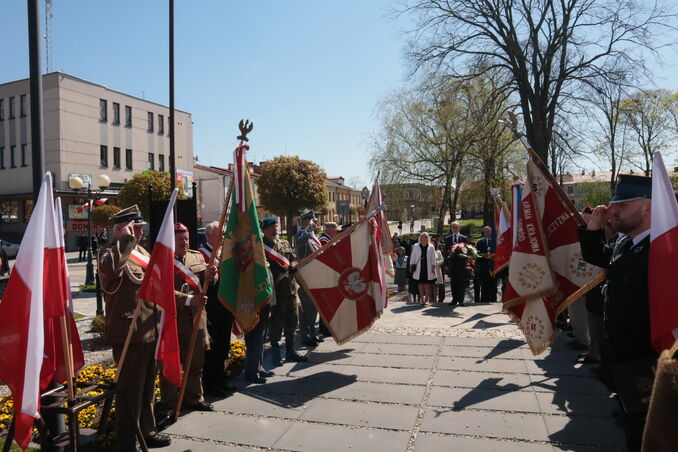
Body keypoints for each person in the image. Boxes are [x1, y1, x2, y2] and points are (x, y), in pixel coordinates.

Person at [577, 174, 657, 452]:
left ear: (649, 207)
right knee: (631, 426)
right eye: (614, 203)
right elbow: (599, 257)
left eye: (623, 204)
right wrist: (593, 228)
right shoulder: (627, 243)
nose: (614, 209)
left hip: (646, 363)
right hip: (623, 360)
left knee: (645, 434)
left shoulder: (661, 249)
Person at [97, 205, 171, 451]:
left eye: (139, 229)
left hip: (149, 328)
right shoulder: (108, 253)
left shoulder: (141, 252)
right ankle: (128, 442)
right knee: (130, 391)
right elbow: (111, 271)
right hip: (128, 332)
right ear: (120, 229)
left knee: (148, 387)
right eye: (134, 229)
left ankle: (147, 431)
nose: (139, 234)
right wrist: (125, 240)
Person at [157, 223, 216, 424]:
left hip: (197, 319)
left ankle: (194, 398)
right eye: (180, 239)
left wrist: (211, 275)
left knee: (196, 363)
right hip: (174, 322)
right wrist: (190, 300)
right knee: (170, 366)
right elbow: (162, 291)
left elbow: (207, 281)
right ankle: (169, 405)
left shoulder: (196, 257)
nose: (185, 242)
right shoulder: (162, 260)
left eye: (187, 238)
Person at [262, 217, 308, 367]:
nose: (275, 229)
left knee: (292, 320)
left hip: (290, 289)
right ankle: (275, 352)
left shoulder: (284, 243)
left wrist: (294, 265)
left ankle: (290, 350)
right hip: (275, 292)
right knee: (276, 322)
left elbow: (293, 258)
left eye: (276, 226)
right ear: (264, 229)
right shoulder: (261, 247)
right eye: (271, 227)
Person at [199, 221, 236, 398]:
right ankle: (211, 385)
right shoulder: (200, 255)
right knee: (211, 352)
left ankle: (221, 379)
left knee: (223, 346)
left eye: (223, 233)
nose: (223, 237)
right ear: (208, 235)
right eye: (220, 233)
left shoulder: (223, 254)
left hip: (225, 308)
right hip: (211, 310)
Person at [294, 210, 324, 346]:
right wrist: (309, 228)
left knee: (314, 307)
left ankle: (312, 334)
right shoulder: (301, 234)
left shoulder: (313, 237)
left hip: (316, 276)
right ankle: (305, 336)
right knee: (306, 308)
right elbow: (300, 243)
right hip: (306, 277)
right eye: (313, 220)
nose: (315, 222)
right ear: (306, 222)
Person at [443, 222, 470, 306]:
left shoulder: (464, 238)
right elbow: (446, 253)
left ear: (459, 228)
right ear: (451, 228)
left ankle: (461, 300)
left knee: (461, 282)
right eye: (453, 227)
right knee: (453, 282)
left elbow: (468, 251)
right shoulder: (448, 238)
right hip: (452, 264)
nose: (455, 229)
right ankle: (454, 299)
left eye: (456, 227)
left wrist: (467, 263)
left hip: (462, 264)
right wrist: (446, 265)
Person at [410, 232, 437, 305]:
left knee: (427, 284)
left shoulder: (431, 246)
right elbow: (413, 257)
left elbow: (433, 258)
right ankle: (422, 298)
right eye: (423, 237)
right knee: (420, 284)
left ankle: (426, 298)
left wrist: (433, 267)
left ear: (427, 238)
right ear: (420, 238)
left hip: (427, 267)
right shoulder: (416, 246)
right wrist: (411, 266)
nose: (424, 238)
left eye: (425, 237)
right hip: (419, 268)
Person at [474, 226, 496, 303]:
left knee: (493, 283)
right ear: (483, 232)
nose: (487, 233)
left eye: (488, 231)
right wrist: (483, 255)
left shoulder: (495, 241)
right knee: (484, 283)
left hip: (494, 265)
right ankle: (484, 299)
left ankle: (493, 299)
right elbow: (476, 253)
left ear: (491, 232)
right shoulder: (480, 242)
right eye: (485, 232)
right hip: (483, 266)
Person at [433, 238, 446, 303]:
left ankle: (441, 298)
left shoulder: (441, 249)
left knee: (441, 284)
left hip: (440, 268)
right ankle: (432, 298)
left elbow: (443, 259)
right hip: (430, 269)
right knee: (432, 285)